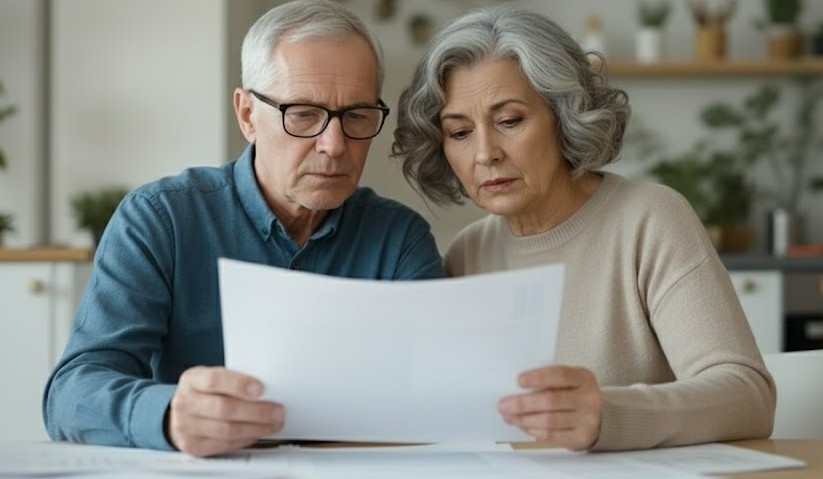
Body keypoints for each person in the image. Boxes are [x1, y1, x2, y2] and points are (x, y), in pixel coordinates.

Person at [44, 0, 443, 458]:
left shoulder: (400, 239)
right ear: (248, 115)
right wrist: (168, 414)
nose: (334, 145)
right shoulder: (161, 219)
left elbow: (437, 395)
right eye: (303, 113)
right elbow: (70, 394)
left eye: (356, 116)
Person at [392, 6, 775, 452]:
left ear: (564, 115)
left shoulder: (650, 220)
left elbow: (749, 397)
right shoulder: (466, 255)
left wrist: (607, 416)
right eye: (459, 132)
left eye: (510, 121)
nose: (485, 153)